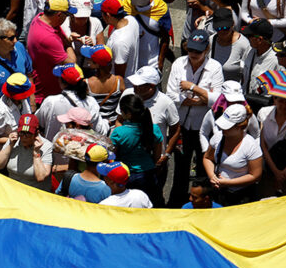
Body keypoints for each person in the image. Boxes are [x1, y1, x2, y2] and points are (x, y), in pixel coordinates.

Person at [166, 29, 225, 206]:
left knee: (202, 168)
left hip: (203, 130)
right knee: (180, 169)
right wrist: (200, 100)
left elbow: (217, 100)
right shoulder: (178, 64)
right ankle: (176, 204)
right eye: (190, 50)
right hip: (182, 128)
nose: (193, 55)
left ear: (206, 49)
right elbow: (171, 96)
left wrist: (193, 88)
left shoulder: (215, 68)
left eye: (198, 51)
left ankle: (202, 203)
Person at [203, 104, 263, 204]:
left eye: (227, 127)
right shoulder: (218, 137)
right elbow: (207, 158)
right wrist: (212, 176)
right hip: (220, 193)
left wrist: (228, 183)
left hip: (242, 196)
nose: (222, 128)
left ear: (239, 127)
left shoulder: (251, 146)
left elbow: (255, 176)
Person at [112, 93, 164, 204]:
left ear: (128, 114)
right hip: (148, 175)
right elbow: (157, 156)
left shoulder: (118, 133)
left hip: (126, 176)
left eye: (122, 111)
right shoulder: (154, 129)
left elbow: (112, 157)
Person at [26, 0, 77, 103]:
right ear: (59, 15)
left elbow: (60, 36)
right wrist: (68, 44)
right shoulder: (48, 37)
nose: (67, 18)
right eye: (66, 15)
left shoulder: (39, 18)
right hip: (48, 96)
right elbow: (71, 63)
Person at [0, 18, 33, 106]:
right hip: (3, 115)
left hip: (24, 107)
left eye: (16, 36)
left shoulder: (19, 47)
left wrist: (32, 102)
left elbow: (29, 74)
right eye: (11, 38)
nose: (15, 40)